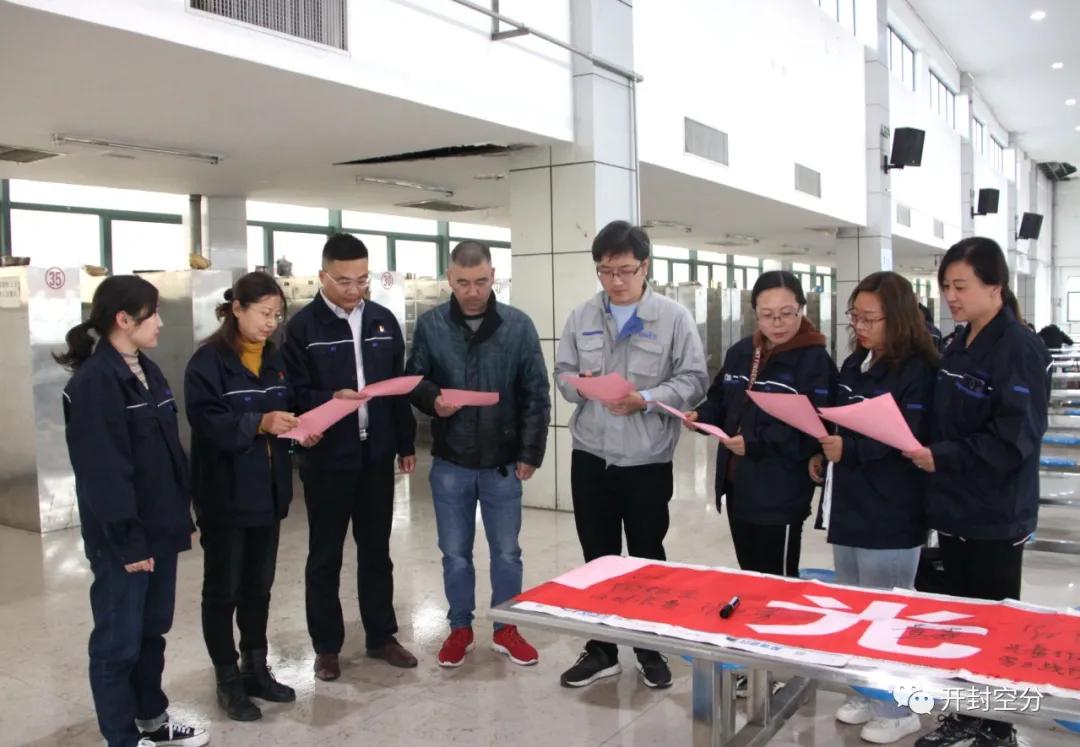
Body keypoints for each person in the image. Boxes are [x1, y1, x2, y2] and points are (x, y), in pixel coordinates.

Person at [903, 237, 1050, 747]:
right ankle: (966, 714)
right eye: (946, 286)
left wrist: (944, 455)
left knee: (995, 624)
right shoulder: (959, 342)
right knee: (963, 620)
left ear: (995, 286)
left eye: (961, 286)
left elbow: (1015, 440)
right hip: (954, 506)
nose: (951, 296)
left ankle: (997, 727)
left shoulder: (1019, 349)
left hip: (994, 513)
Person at [554, 220, 709, 690]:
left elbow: (694, 379)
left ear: (645, 266)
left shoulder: (673, 318)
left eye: (624, 270)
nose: (615, 281)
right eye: (605, 271)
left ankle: (648, 646)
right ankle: (601, 648)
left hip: (646, 459)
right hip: (591, 455)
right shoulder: (582, 316)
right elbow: (562, 373)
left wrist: (646, 398)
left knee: (645, 554)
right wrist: (581, 387)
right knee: (596, 557)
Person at [57, 275, 208, 747]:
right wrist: (128, 542)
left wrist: (181, 516)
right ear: (124, 319)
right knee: (118, 643)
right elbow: (103, 473)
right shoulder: (95, 383)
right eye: (152, 313)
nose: (160, 322)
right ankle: (120, 738)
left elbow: (167, 454)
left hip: (159, 530)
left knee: (152, 632)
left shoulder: (147, 369)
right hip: (125, 541)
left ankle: (152, 720)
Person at [406, 240, 551, 668]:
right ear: (449, 279)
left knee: (507, 551)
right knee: (454, 552)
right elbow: (414, 380)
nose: (473, 292)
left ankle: (507, 627)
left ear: (494, 277)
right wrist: (433, 400)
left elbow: (536, 394)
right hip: (451, 460)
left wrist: (530, 452)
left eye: (482, 282)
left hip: (502, 461)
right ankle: (460, 628)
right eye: (464, 283)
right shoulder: (432, 325)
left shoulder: (517, 326)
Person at [185, 272, 321, 721]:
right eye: (264, 313)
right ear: (237, 309)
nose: (270, 323)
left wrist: (303, 426)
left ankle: (256, 668)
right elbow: (207, 422)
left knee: (258, 587)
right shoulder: (208, 363)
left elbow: (291, 405)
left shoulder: (275, 359)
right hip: (225, 496)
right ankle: (227, 679)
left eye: (277, 315)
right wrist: (259, 423)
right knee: (222, 590)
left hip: (269, 492)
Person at [808, 272, 938, 744]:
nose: (860, 327)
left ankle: (899, 707)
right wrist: (825, 449)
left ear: (897, 318)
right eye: (855, 317)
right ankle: (866, 691)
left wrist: (852, 449)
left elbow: (910, 437)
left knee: (889, 612)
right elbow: (841, 422)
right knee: (854, 605)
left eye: (870, 319)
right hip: (851, 501)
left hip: (893, 506)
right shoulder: (855, 363)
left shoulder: (919, 370)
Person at [283, 233, 418, 680]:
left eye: (362, 280)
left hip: (376, 454)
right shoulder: (303, 328)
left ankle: (381, 636)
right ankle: (326, 647)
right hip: (327, 458)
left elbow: (397, 388)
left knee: (376, 551)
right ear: (322, 276)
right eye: (344, 281)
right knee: (325, 555)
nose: (354, 289)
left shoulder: (383, 320)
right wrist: (330, 399)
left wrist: (404, 443)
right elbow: (293, 392)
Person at [689, 271, 836, 578]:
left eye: (786, 313)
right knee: (751, 576)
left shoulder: (814, 361)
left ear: (801, 309)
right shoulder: (741, 352)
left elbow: (814, 428)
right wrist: (702, 417)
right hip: (737, 484)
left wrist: (755, 442)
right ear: (755, 313)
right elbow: (721, 399)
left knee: (777, 579)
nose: (777, 323)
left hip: (780, 491)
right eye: (767, 315)